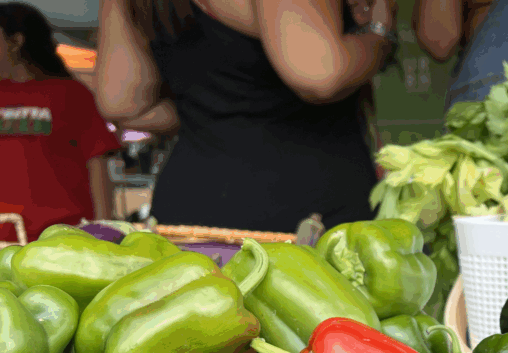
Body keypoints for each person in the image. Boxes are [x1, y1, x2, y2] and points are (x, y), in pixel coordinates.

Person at [94, 0, 398, 233]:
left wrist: (211, 112)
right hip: (306, 211)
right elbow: (318, 74)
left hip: (189, 206)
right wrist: (379, 33)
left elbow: (123, 104)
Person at [0, 3, 120, 243]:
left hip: (65, 236)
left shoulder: (71, 94)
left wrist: (105, 229)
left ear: (16, 41)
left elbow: (97, 161)